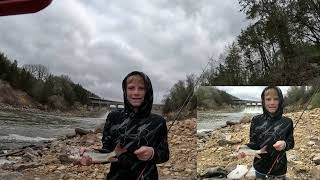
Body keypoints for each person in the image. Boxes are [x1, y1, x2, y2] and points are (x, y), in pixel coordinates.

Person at [80, 71, 169, 180]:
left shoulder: (158, 122)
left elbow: (164, 154)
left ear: (148, 91)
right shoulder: (113, 117)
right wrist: (91, 155)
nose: (136, 92)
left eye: (141, 88)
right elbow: (108, 152)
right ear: (125, 91)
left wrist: (152, 153)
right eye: (131, 88)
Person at [237, 86, 294, 179]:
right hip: (260, 167)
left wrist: (284, 144)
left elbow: (291, 143)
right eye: (268, 99)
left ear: (280, 101)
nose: (272, 102)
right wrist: (244, 148)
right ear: (263, 101)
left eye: (276, 99)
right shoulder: (256, 120)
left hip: (280, 169)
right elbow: (254, 143)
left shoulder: (288, 122)